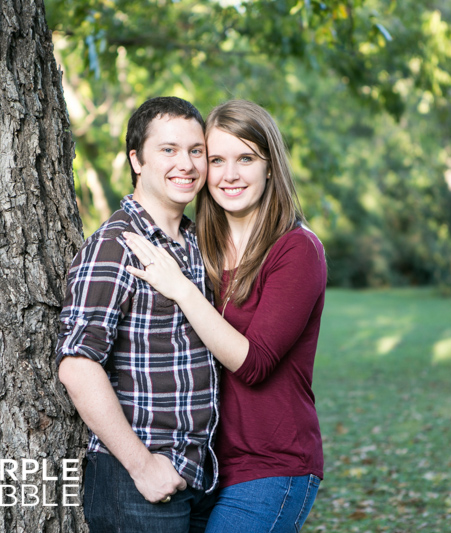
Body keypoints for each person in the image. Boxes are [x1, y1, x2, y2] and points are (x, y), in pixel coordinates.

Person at [124, 99, 326, 532]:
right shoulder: (200, 249)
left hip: (273, 466)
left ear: (270, 166)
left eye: (246, 159)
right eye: (216, 159)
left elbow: (252, 364)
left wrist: (181, 289)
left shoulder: (297, 249)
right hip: (204, 468)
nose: (230, 174)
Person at [55, 96, 220, 533]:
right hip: (136, 481)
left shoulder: (195, 242)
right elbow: (77, 365)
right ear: (137, 159)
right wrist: (142, 464)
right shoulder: (116, 246)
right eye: (168, 150)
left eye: (195, 151)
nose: (185, 163)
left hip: (196, 473)